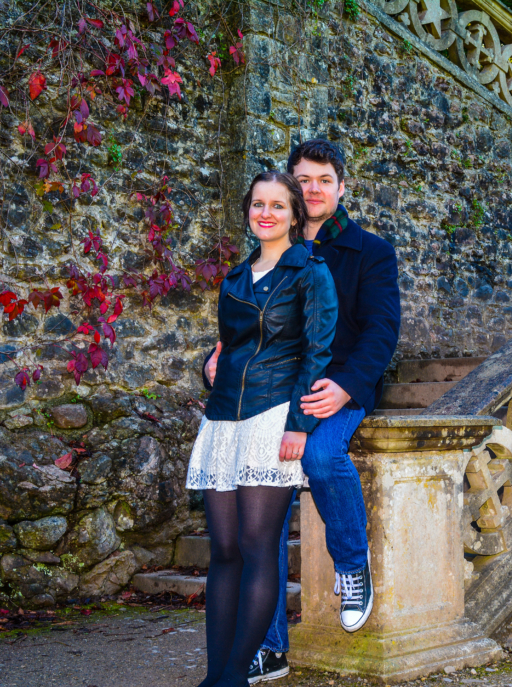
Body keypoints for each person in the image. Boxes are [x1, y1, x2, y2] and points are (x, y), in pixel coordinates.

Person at [204, 140, 401, 684]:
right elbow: (243, 328)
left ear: (342, 188)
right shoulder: (270, 248)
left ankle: (352, 563)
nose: (312, 189)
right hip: (267, 392)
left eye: (323, 180)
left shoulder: (370, 252)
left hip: (330, 386)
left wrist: (345, 386)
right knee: (259, 518)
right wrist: (213, 363)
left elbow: (382, 331)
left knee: (318, 453)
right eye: (303, 180)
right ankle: (268, 647)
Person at [186, 170, 337, 687]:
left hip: (274, 415)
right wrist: (207, 365)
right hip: (224, 417)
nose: (265, 213)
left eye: (277, 205)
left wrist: (300, 425)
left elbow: (317, 355)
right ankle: (215, 675)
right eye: (257, 205)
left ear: (296, 214)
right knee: (223, 549)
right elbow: (229, 348)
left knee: (256, 546)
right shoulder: (233, 277)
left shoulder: (310, 272)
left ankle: (233, 677)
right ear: (248, 211)